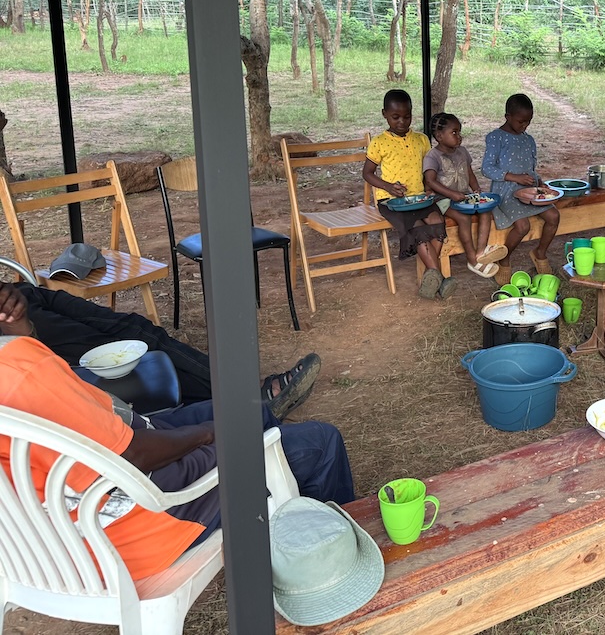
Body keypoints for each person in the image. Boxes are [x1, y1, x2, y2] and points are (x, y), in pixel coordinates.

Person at [0, 289, 354, 582]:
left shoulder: (17, 365)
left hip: (67, 529)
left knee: (247, 413)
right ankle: (327, 570)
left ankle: (265, 416)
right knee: (321, 443)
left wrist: (22, 333)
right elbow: (132, 456)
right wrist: (205, 435)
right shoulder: (23, 370)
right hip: (143, 518)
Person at [0, 282, 318, 418]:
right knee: (120, 352)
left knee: (135, 328)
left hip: (31, 299)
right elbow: (30, 367)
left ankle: (237, 395)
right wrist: (21, 329)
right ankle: (247, 397)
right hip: (21, 341)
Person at [364, 89, 454, 300]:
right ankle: (439, 278)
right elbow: (367, 173)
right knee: (420, 230)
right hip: (393, 202)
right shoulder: (379, 143)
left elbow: (426, 169)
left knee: (437, 222)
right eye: (396, 117)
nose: (402, 122)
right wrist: (387, 186)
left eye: (407, 116)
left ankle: (430, 279)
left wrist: (429, 186)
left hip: (421, 197)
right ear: (384, 114)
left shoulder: (422, 140)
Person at [482, 93, 561, 284]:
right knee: (522, 225)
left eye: (528, 121)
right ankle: (504, 258)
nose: (524, 126)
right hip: (505, 192)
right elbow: (487, 168)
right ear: (507, 116)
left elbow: (530, 169)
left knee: (554, 216)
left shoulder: (528, 139)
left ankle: (540, 253)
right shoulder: (496, 138)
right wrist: (513, 177)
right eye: (520, 121)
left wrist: (540, 183)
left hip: (530, 190)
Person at [423, 112, 508, 278]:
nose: (459, 137)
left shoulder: (462, 151)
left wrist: (476, 190)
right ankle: (471, 259)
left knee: (485, 211)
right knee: (463, 218)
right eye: (454, 133)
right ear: (439, 136)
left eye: (459, 132)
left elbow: (469, 174)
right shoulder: (433, 156)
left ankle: (481, 252)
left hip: (464, 197)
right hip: (443, 199)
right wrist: (451, 194)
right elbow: (431, 181)